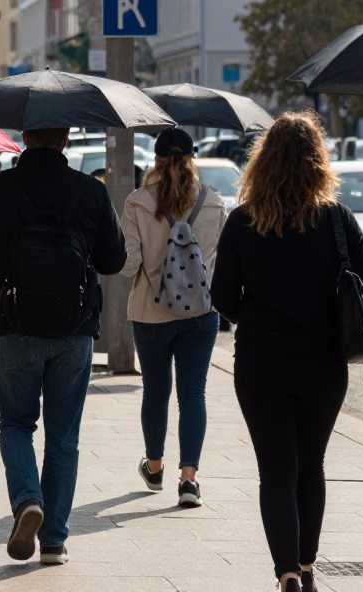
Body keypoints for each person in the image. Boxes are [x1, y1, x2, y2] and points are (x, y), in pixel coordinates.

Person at [210, 111, 363, 592]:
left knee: (276, 470)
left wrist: (257, 313)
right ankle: (305, 564)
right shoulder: (339, 221)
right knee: (312, 465)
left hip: (261, 362)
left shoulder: (242, 221)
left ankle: (285, 573)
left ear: (262, 163)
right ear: (317, 162)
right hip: (323, 363)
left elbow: (221, 297)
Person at [0, 127, 127, 566]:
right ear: (65, 141)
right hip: (75, 330)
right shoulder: (89, 191)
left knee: (15, 424)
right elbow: (114, 260)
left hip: (16, 328)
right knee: (64, 436)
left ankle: (26, 500)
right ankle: (53, 540)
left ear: (24, 138)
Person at [120, 128, 226, 507]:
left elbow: (129, 264)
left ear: (156, 159)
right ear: (193, 157)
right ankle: (189, 480)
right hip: (201, 313)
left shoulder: (137, 202)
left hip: (149, 313)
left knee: (156, 390)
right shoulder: (213, 202)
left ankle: (154, 466)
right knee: (193, 393)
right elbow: (222, 265)